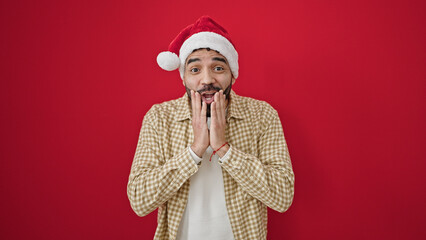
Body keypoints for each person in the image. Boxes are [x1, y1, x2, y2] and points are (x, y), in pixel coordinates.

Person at [127, 16, 295, 240]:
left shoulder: (262, 115)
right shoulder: (159, 118)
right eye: (195, 69)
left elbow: (282, 197)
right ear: (183, 78)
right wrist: (195, 151)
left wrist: (224, 149)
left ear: (232, 74)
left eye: (218, 67)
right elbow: (139, 200)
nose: (207, 79)